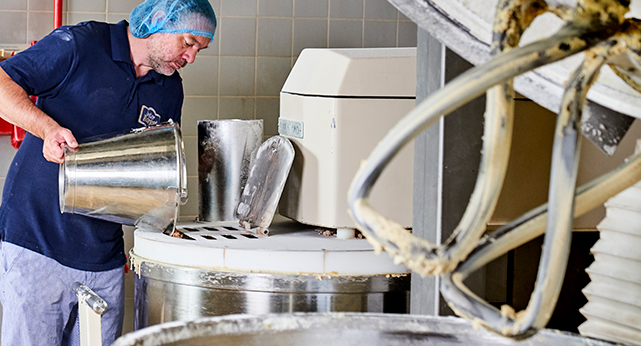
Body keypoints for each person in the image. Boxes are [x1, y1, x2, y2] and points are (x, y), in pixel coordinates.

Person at [0, 0, 216, 344]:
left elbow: (156, 170)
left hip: (103, 259)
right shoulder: (82, 44)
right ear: (158, 22)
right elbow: (2, 82)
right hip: (36, 244)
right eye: (188, 43)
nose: (190, 57)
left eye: (198, 50)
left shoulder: (169, 88)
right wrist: (45, 128)